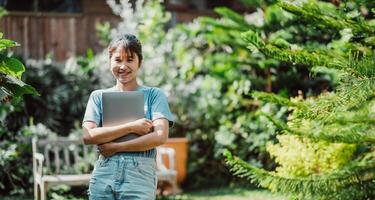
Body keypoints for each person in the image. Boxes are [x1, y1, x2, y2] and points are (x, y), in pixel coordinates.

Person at [81, 33, 174, 200]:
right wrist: (132, 127)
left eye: (130, 59)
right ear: (110, 61)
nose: (123, 66)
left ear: (140, 62)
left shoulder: (154, 95)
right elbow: (88, 135)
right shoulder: (98, 96)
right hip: (104, 173)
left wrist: (116, 147)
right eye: (117, 60)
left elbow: (160, 136)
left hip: (140, 175)